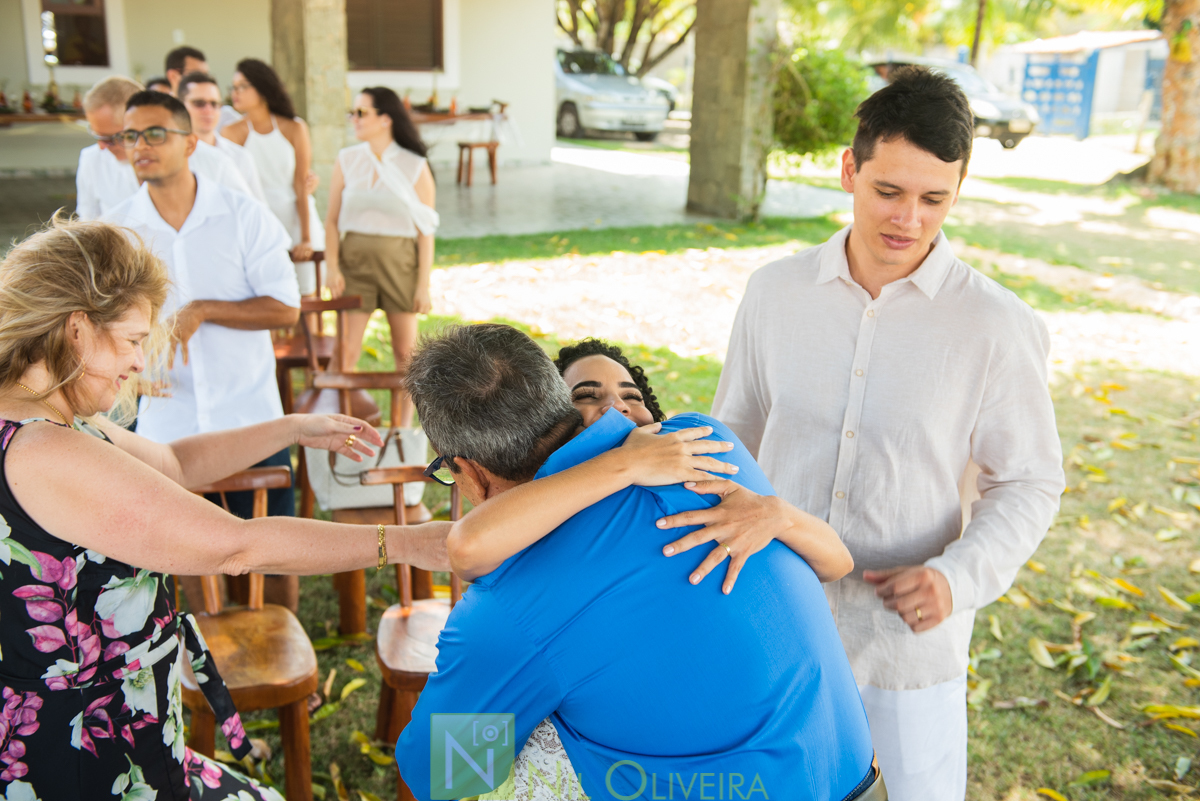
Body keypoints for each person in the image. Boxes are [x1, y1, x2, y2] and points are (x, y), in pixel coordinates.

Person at [0, 216, 449, 800]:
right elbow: (238, 545)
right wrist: (406, 542)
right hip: (86, 757)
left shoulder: (52, 424)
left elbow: (174, 464)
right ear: (77, 330)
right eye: (134, 340)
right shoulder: (47, 448)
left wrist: (292, 426)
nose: (140, 362)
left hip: (117, 732)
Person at [711, 66, 1065, 800]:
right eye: (889, 191)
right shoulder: (773, 295)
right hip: (775, 630)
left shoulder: (997, 326)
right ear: (850, 169)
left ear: (958, 190)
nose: (909, 218)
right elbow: (730, 441)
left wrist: (956, 577)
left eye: (935, 199)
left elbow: (1029, 481)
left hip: (904, 652)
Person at [394, 323, 882, 801]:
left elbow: (442, 775)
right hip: (861, 778)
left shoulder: (507, 607)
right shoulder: (701, 440)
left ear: (467, 472)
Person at [104, 91, 303, 604]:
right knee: (182, 556)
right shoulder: (118, 232)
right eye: (130, 136)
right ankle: (207, 663)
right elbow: (101, 323)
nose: (140, 145)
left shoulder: (243, 216)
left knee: (276, 554)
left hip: (248, 416)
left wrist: (203, 310)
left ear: (190, 143)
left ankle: (282, 653)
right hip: (168, 422)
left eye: (154, 133)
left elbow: (285, 308)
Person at [325, 87, 435, 425]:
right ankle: (334, 428)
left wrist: (423, 285)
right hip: (354, 266)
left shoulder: (414, 165)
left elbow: (426, 228)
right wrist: (332, 267)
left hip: (399, 267)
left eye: (362, 113)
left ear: (385, 118)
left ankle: (400, 433)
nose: (354, 119)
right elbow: (331, 220)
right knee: (345, 352)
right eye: (353, 113)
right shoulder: (348, 159)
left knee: (406, 356)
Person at [222, 59, 325, 295]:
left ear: (262, 88)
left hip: (298, 220)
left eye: (242, 86)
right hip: (258, 225)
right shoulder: (230, 133)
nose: (234, 93)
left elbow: (301, 183)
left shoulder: (295, 128)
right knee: (268, 297)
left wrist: (306, 238)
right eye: (233, 87)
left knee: (307, 296)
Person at [177, 71, 268, 205]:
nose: (208, 110)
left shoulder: (240, 157)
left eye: (214, 104)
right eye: (199, 103)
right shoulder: (172, 156)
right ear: (180, 106)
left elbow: (258, 209)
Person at [76, 76, 141, 221]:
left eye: (110, 138)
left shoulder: (188, 155)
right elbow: (87, 219)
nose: (102, 146)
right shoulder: (92, 159)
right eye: (98, 136)